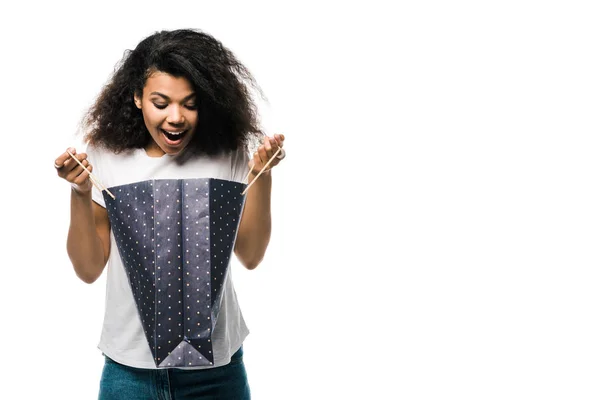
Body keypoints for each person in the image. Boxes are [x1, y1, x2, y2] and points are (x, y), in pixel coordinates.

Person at [53, 29, 285, 400]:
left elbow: (251, 255)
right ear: (137, 98)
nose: (175, 118)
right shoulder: (107, 157)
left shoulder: (227, 154)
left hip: (217, 374)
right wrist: (80, 192)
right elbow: (88, 268)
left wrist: (262, 175)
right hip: (130, 372)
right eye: (160, 103)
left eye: (189, 104)